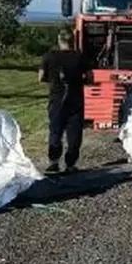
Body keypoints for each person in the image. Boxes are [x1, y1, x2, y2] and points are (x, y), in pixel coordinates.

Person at [39, 30, 88, 174]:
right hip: (76, 100)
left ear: (59, 40)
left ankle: (53, 163)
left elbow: (40, 77)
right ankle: (70, 165)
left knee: (55, 131)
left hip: (56, 100)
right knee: (74, 133)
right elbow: (89, 77)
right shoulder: (80, 57)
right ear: (73, 40)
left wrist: (53, 80)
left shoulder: (49, 56)